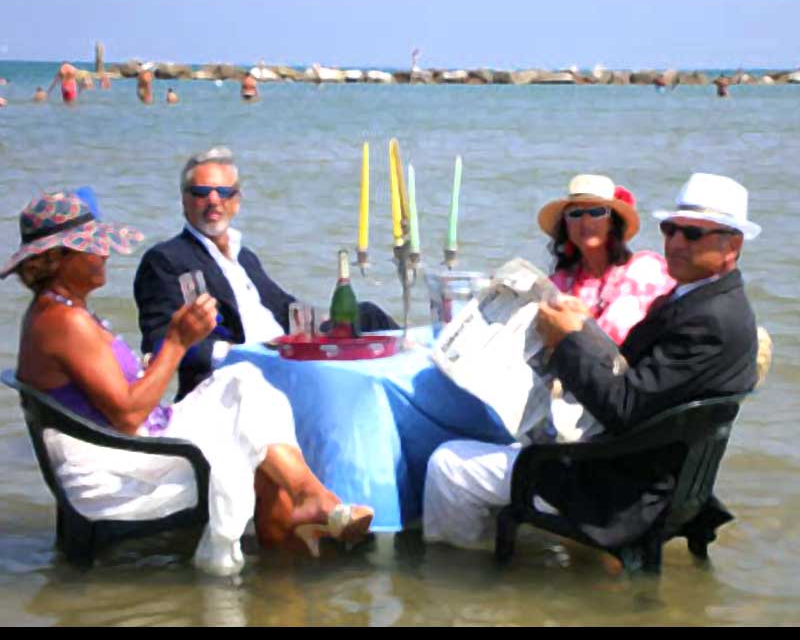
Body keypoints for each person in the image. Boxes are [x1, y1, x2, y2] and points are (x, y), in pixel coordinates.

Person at [2, 190, 374, 576]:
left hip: (121, 448)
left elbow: (110, 399)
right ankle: (286, 573)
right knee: (257, 448)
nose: (105, 254)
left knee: (243, 384)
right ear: (57, 259)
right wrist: (177, 343)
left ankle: (308, 503)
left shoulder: (56, 313)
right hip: (116, 473)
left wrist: (151, 366)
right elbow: (128, 416)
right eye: (94, 247)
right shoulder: (66, 323)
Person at [423, 173, 761, 551]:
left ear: (732, 245)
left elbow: (622, 407)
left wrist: (567, 340)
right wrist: (581, 332)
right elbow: (631, 377)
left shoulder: (708, 320)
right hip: (652, 473)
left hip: (622, 493)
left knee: (447, 464)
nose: (676, 242)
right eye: (670, 230)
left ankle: (458, 576)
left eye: (693, 234)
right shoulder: (706, 302)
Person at [134, 146, 397, 400]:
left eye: (223, 192)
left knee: (368, 315)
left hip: (285, 355)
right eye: (202, 192)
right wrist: (240, 352)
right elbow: (160, 342)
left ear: (236, 201)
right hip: (238, 378)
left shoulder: (244, 256)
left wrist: (329, 320)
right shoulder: (165, 260)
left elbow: (285, 308)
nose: (213, 200)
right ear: (184, 199)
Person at [539, 174, 674, 346]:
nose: (586, 222)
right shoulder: (558, 283)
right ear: (566, 225)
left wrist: (581, 322)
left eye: (597, 212)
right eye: (576, 213)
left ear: (612, 222)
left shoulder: (646, 270)